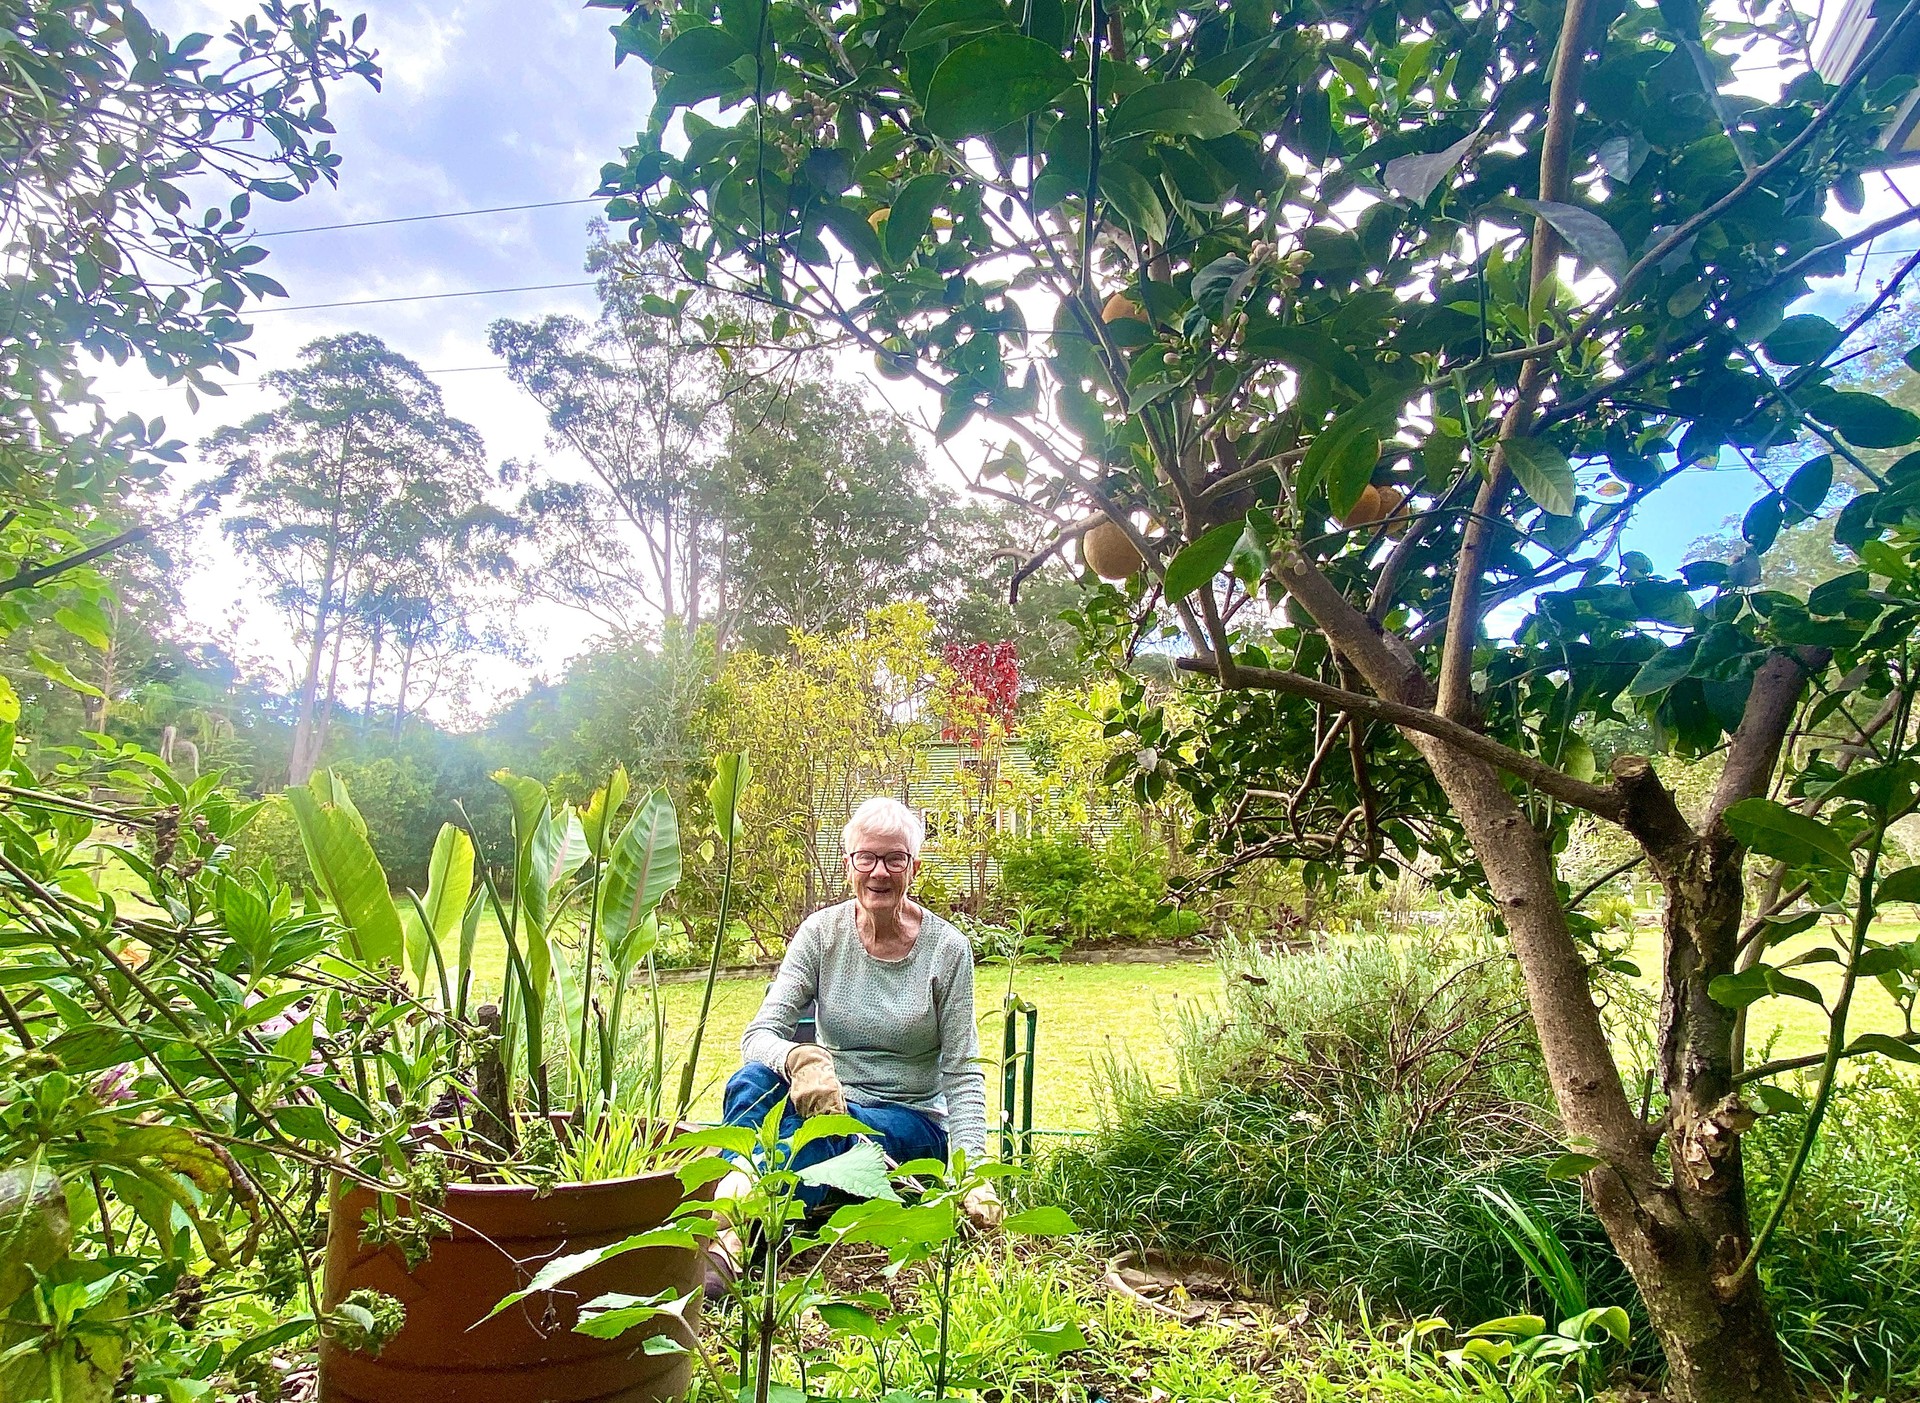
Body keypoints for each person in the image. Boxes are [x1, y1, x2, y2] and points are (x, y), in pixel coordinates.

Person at [705, 797, 1000, 1286]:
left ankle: (733, 1233)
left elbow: (962, 1071)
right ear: (848, 866)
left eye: (894, 858)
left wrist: (976, 1174)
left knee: (834, 1131)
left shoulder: (946, 950)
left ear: (914, 867)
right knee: (753, 1080)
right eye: (866, 857)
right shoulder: (821, 934)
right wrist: (798, 1058)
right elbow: (758, 1037)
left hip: (910, 1122)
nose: (879, 872)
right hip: (821, 1101)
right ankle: (752, 1192)